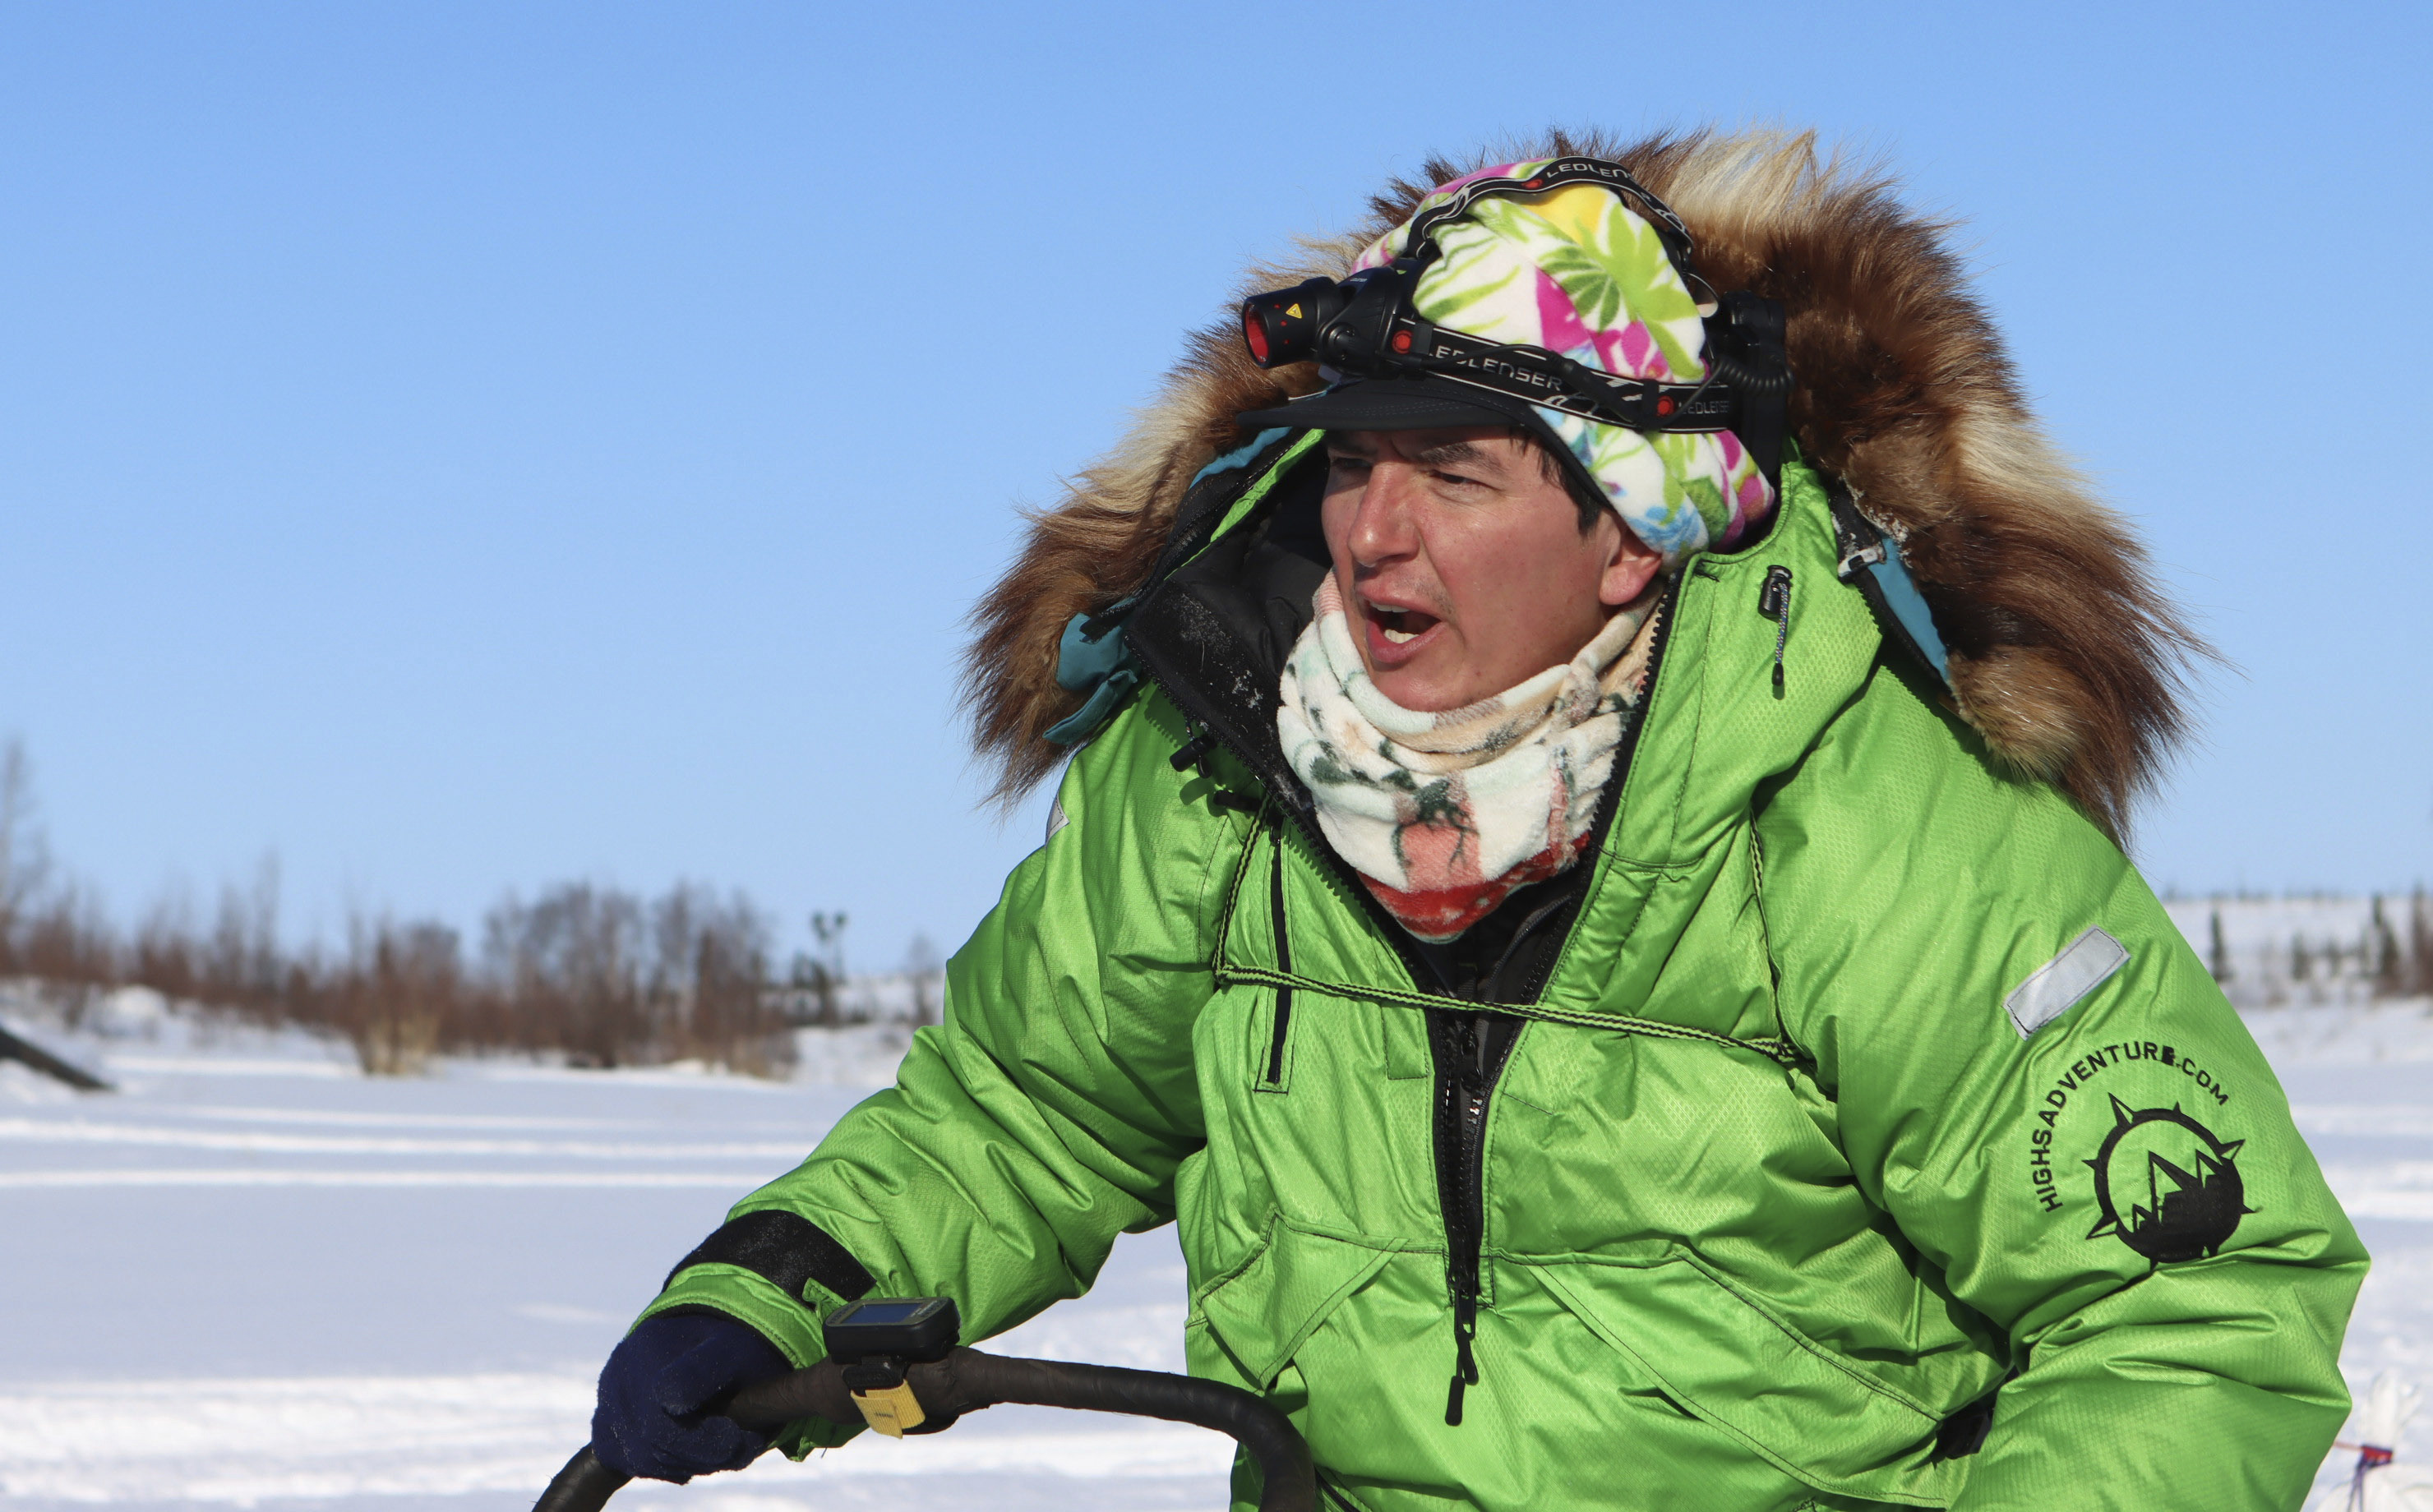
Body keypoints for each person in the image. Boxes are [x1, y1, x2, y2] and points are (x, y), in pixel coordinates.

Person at [589, 130, 2364, 1510]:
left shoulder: (1874, 820)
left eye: (1453, 471)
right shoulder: (1215, 769)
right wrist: (767, 1289)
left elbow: (2194, 1315)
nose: (1375, 528)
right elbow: (1023, 1113)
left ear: (1632, 532)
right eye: (1356, 460)